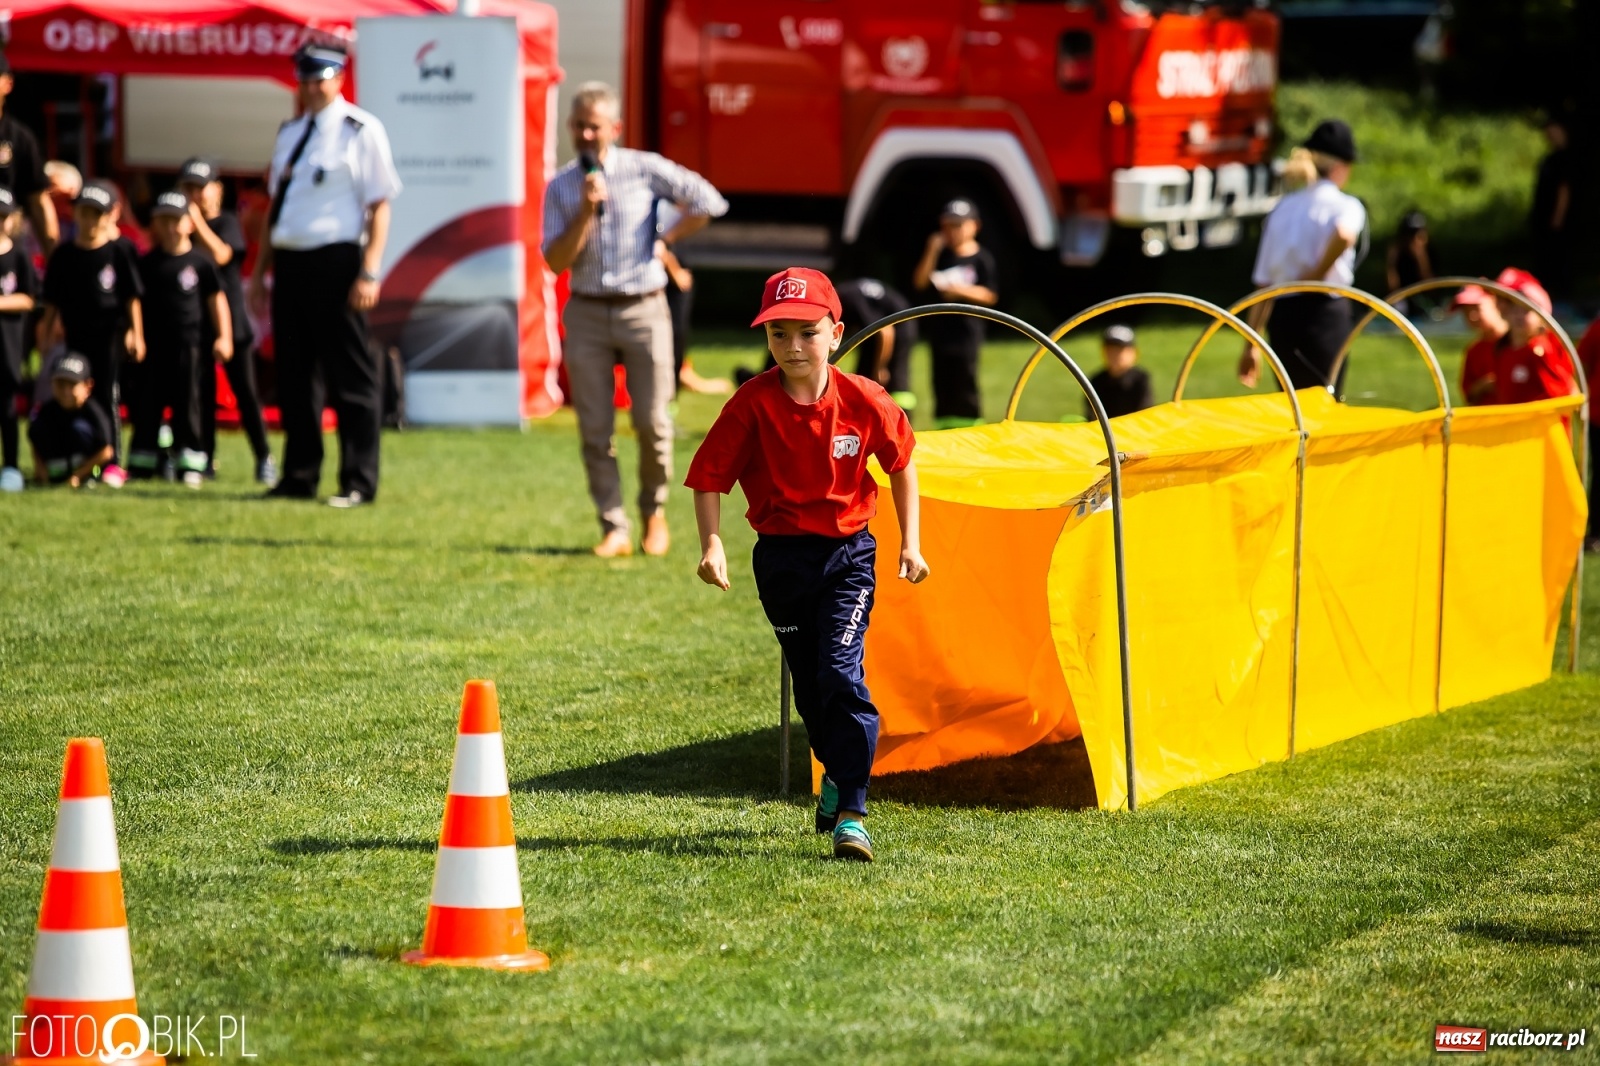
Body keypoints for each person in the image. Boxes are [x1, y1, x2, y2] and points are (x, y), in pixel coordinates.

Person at [686, 268, 929, 863]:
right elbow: (708, 477)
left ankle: (853, 812)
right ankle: (834, 780)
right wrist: (712, 544)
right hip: (781, 563)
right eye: (778, 335)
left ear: (836, 333)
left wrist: (910, 543)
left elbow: (901, 465)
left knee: (842, 673)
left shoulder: (866, 400)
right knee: (813, 688)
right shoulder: (751, 404)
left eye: (806, 333)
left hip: (848, 557)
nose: (793, 347)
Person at [543, 81, 728, 557]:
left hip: (644, 307)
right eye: (579, 125)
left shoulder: (644, 169)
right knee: (595, 428)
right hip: (586, 309)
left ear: (615, 128)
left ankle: (654, 512)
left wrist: (665, 238)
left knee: (652, 422)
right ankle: (614, 526)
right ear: (569, 127)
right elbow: (555, 262)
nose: (586, 134)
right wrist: (586, 210)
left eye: (595, 126)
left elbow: (709, 200)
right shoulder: (562, 186)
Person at [248, 44, 400, 508]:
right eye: (305, 78)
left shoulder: (360, 129)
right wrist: (260, 274)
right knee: (295, 376)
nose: (312, 87)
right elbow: (280, 208)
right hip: (292, 263)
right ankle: (300, 474)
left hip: (338, 261)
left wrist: (370, 271)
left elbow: (380, 205)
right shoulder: (291, 131)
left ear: (339, 78)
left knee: (351, 375)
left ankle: (357, 480)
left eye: (321, 77)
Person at [1241, 119, 1366, 394]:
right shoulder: (1345, 205)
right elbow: (1345, 236)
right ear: (1339, 167)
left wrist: (1251, 343)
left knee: (1294, 406)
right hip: (1325, 312)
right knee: (1325, 401)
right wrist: (1317, 273)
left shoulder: (1283, 207)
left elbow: (1264, 282)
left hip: (1283, 316)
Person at [40, 178, 144, 485]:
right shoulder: (64, 255)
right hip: (76, 335)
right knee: (73, 397)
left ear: (110, 215)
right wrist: (46, 334)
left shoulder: (119, 251)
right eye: (83, 213)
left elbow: (131, 298)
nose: (89, 221)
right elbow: (52, 302)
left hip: (109, 335)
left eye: (96, 214)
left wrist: (135, 333)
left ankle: (112, 461)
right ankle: (84, 460)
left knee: (106, 395)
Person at [179, 157, 275, 484]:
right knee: (201, 394)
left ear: (216, 190)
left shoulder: (227, 223)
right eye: (188, 188)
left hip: (233, 326)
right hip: (198, 325)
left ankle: (264, 456)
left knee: (246, 394)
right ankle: (204, 457)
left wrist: (196, 223)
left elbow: (222, 255)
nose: (195, 195)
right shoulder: (181, 232)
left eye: (200, 188)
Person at [131, 191, 230, 488]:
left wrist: (224, 336)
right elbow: (134, 302)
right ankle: (143, 462)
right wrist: (134, 334)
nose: (171, 227)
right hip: (154, 347)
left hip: (191, 347)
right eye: (164, 220)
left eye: (176, 220)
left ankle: (191, 462)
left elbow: (217, 301)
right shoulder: (147, 264)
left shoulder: (201, 263)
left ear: (189, 223)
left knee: (189, 404)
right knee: (148, 405)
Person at [912, 199, 998, 428]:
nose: (953, 231)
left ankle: (971, 423)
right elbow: (920, 282)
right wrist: (931, 250)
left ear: (974, 226)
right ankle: (943, 424)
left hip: (967, 331)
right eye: (948, 225)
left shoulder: (982, 259)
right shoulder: (941, 255)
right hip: (941, 330)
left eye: (959, 225)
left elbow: (990, 295)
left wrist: (960, 290)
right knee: (941, 379)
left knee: (965, 376)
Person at [0, 53, 58, 258]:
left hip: (7, 234)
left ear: (8, 84)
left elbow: (38, 200)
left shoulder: (20, 138)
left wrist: (54, 258)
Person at [0, 188, 37, 492]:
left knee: (8, 407)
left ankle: (11, 465)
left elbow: (29, 298)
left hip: (8, 345)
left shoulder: (19, 254)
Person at [28, 352, 112, 487]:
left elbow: (107, 451)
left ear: (88, 386)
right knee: (40, 429)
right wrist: (40, 468)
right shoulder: (46, 411)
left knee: (79, 429)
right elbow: (34, 439)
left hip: (92, 470)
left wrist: (77, 476)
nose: (66, 391)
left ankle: (90, 476)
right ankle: (57, 473)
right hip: (57, 467)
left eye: (72, 384)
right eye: (60, 384)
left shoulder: (94, 411)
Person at [1492, 268, 1573, 405]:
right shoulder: (1502, 347)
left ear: (1541, 316)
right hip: (1512, 422)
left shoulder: (1542, 349)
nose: (1518, 315)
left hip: (1540, 424)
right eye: (1513, 307)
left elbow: (1561, 393)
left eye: (1526, 310)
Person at [837, 278, 917, 411]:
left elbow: (885, 331)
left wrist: (881, 367)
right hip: (876, 333)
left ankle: (901, 419)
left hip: (900, 324)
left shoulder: (848, 299)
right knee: (864, 376)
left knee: (893, 377)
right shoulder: (846, 293)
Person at [1529, 117, 1573, 303]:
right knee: (1544, 262)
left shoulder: (1566, 158)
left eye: (1552, 129)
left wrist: (1557, 218)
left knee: (1559, 261)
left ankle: (1561, 299)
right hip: (1542, 219)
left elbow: (1565, 190)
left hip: (1556, 222)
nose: (1549, 134)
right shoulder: (1550, 157)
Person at [1453, 284, 1507, 406]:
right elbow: (1469, 395)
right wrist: (1482, 386)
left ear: (1496, 303)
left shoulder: (1516, 343)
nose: (1472, 316)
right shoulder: (1474, 351)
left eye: (1476, 308)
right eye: (1466, 311)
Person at [1086, 324, 1153, 420]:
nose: (1114, 355)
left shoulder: (1140, 379)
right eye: (1110, 350)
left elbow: (1144, 412)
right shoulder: (1096, 381)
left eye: (1119, 350)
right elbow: (1092, 416)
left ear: (1133, 353)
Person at [1385, 210, 1433, 313]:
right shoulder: (1397, 252)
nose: (1414, 239)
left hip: (1423, 300)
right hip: (1403, 299)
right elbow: (1392, 288)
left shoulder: (1430, 251)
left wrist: (1421, 257)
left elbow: (1431, 287)